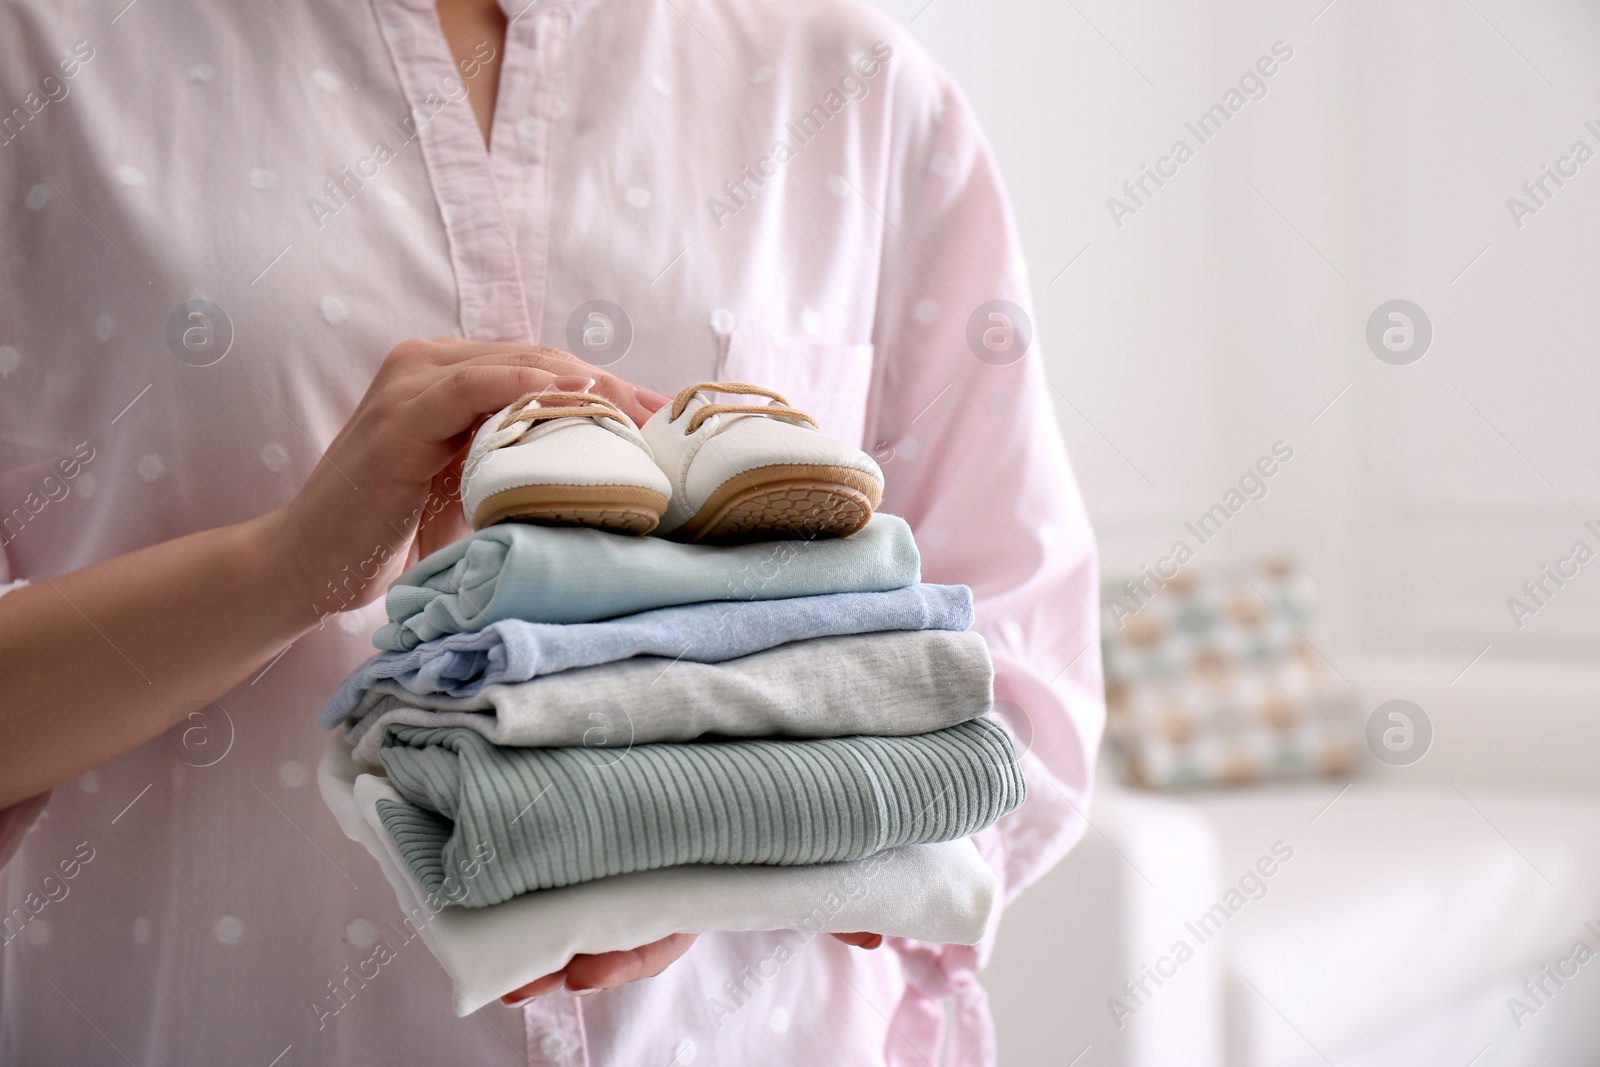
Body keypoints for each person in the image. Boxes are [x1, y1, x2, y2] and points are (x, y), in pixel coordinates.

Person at [0, 0, 1103, 1062]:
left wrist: (715, 855)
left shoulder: (853, 84)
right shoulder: (38, 61)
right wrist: (283, 569)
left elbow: (1012, 665)